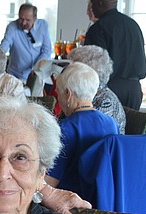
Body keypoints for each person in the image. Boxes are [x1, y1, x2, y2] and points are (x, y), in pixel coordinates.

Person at [46, 62, 118, 195]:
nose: (58, 100)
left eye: (58, 94)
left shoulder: (64, 128)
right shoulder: (111, 123)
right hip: (102, 199)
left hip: (69, 202)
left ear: (68, 94)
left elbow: (50, 182)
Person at [84, 0, 146, 109]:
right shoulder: (133, 25)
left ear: (100, 3)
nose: (91, 8)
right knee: (133, 127)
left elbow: (93, 66)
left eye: (92, 3)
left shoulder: (98, 29)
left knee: (108, 128)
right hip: (134, 89)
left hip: (110, 90)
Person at [66, 45, 126, 134]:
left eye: (73, 67)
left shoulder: (105, 100)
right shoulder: (84, 93)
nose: (67, 71)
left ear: (86, 71)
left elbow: (92, 136)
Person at [0, 3, 52, 81]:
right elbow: (5, 45)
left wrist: (36, 68)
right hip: (15, 75)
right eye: (21, 19)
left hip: (37, 75)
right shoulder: (12, 27)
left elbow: (47, 51)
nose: (23, 23)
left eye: (27, 20)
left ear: (34, 18)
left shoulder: (43, 26)